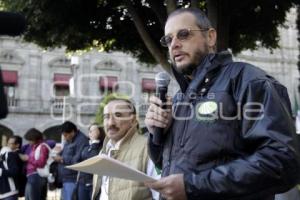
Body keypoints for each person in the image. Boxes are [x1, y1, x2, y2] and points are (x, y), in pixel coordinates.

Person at [144, 8, 300, 200]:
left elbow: (282, 162)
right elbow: (169, 164)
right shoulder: (178, 100)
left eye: (183, 34)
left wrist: (192, 186)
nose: (174, 44)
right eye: (168, 40)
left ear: (210, 37)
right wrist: (157, 135)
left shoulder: (248, 81)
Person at [91, 96, 159, 200]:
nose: (110, 123)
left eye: (118, 115)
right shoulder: (103, 151)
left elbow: (161, 194)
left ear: (133, 120)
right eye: (106, 117)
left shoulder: (148, 149)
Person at [53, 121, 89, 200]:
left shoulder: (82, 141)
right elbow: (66, 153)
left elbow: (79, 160)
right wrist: (58, 155)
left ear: (72, 132)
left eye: (66, 135)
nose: (65, 138)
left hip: (73, 179)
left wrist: (62, 159)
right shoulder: (69, 140)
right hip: (65, 179)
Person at [19, 128, 50, 200]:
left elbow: (41, 163)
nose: (29, 142)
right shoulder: (35, 147)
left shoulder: (42, 146)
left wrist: (28, 158)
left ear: (34, 138)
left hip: (36, 176)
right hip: (32, 176)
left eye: (30, 140)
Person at [77, 124, 105, 200]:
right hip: (82, 182)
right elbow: (77, 159)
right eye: (89, 131)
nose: (90, 132)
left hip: (94, 183)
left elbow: (93, 157)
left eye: (93, 130)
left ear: (100, 132)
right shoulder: (86, 146)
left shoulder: (102, 147)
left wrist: (95, 143)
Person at [0, 135, 23, 200]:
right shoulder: (4, 154)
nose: (8, 145)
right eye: (8, 143)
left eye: (11, 143)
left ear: (17, 145)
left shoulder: (11, 155)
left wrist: (1, 171)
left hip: (10, 192)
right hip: (3, 192)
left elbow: (14, 172)